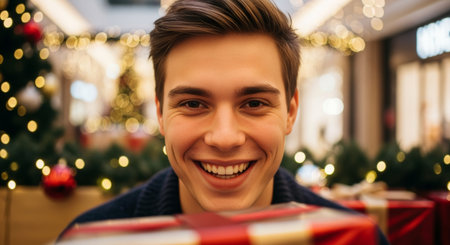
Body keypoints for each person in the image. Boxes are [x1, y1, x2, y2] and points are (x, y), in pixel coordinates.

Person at [60, 0, 389, 244]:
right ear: (160, 114)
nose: (225, 138)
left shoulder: (352, 240)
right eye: (192, 104)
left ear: (290, 112)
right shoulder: (91, 239)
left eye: (255, 103)